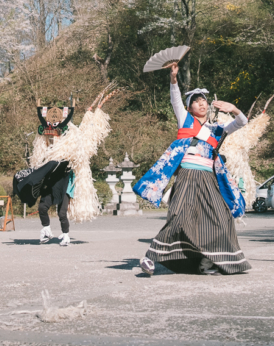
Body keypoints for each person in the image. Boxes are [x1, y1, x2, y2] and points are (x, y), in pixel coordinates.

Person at [134, 63, 251, 275]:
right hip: (187, 175)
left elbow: (242, 122)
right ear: (189, 108)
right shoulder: (184, 120)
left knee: (221, 216)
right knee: (179, 216)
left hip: (208, 178)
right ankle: (150, 258)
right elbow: (175, 99)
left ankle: (208, 262)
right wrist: (173, 78)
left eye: (203, 101)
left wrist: (233, 109)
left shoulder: (218, 129)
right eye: (196, 102)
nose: (201, 104)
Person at [12, 88, 114, 246]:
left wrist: (92, 113)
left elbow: (79, 148)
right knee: (43, 207)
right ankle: (46, 230)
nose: (52, 137)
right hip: (50, 180)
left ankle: (65, 235)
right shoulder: (48, 150)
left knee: (61, 212)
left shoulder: (70, 145)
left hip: (65, 181)